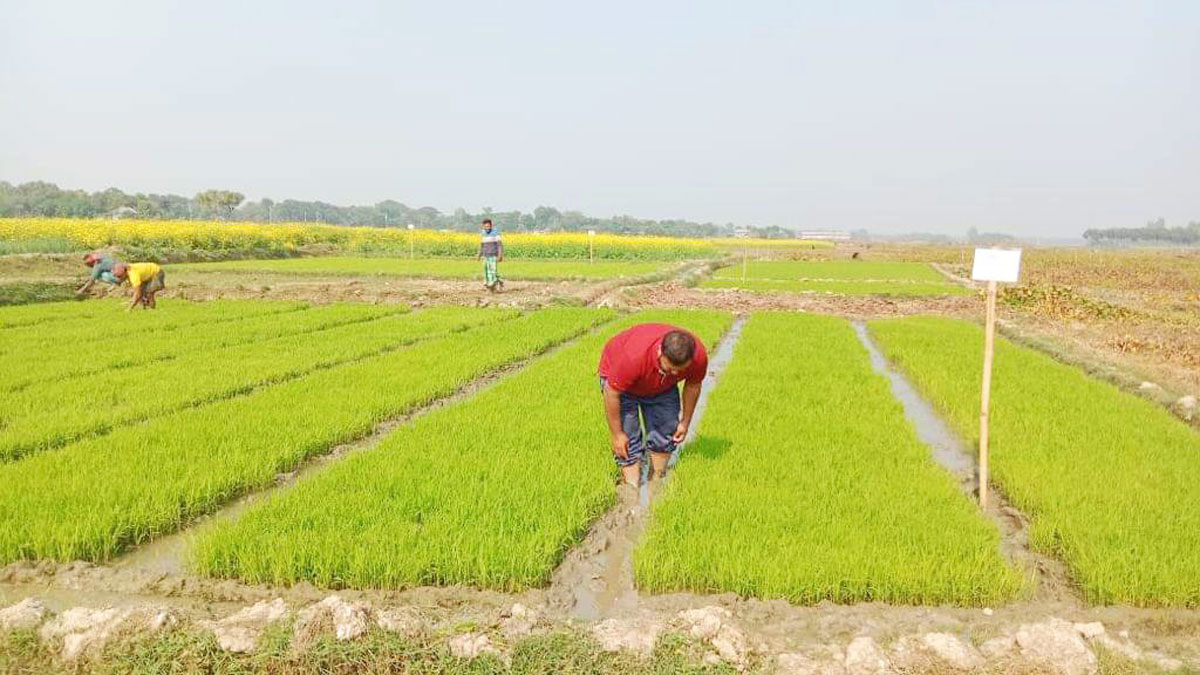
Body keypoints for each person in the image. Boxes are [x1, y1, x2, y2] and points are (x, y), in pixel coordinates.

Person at [598, 324, 708, 488]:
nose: (676, 374)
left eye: (681, 370)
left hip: (662, 388)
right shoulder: (632, 357)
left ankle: (657, 481)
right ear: (660, 353)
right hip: (623, 388)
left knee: (665, 434)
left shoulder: (698, 356)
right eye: (670, 369)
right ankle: (632, 487)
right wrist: (617, 434)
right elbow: (612, 392)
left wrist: (685, 422)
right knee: (628, 442)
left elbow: (693, 386)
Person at [476, 218, 504, 292]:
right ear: (483, 227)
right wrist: (479, 255)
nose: (487, 228)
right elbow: (481, 246)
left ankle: (492, 286)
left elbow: (499, 245)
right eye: (486, 227)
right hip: (485, 256)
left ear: (491, 226)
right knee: (486, 271)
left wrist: (500, 255)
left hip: (493, 255)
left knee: (493, 272)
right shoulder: (483, 234)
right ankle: (497, 282)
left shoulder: (495, 233)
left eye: (488, 226)